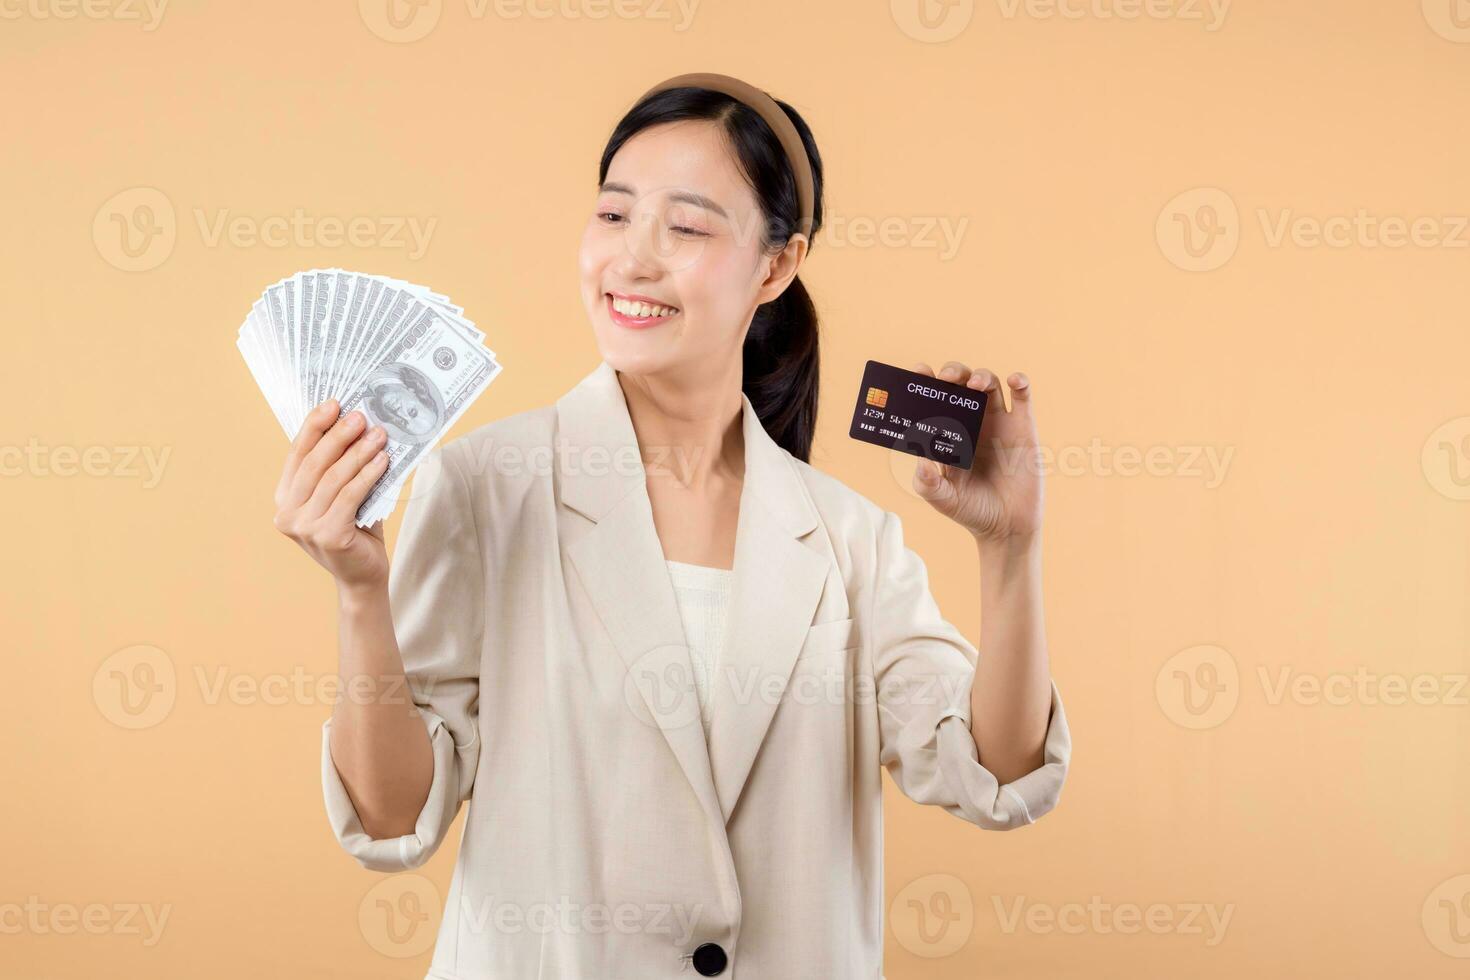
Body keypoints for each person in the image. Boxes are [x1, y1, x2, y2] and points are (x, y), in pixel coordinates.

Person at [271, 72, 1071, 979]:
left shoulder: (849, 539)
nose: (633, 260)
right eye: (613, 215)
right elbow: (390, 820)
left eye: (685, 226)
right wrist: (359, 594)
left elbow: (996, 776)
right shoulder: (486, 486)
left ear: (777, 264)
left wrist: (1011, 551)